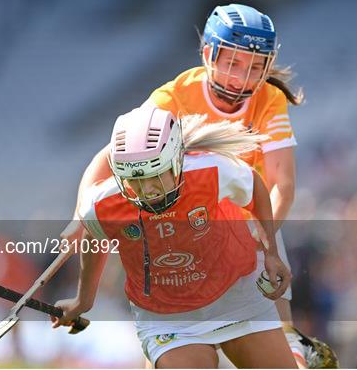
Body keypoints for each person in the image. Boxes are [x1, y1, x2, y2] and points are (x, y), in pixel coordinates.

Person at [62, 3, 338, 368]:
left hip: (250, 215)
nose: (242, 77)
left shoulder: (269, 98)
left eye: (256, 67)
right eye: (233, 63)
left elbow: (280, 183)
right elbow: (113, 155)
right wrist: (80, 215)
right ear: (208, 53)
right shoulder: (172, 97)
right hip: (187, 223)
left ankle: (291, 345)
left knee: (277, 326)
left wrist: (263, 235)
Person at [53, 105, 297, 368]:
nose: (146, 190)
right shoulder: (103, 204)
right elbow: (94, 237)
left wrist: (271, 253)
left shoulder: (212, 171)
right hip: (167, 320)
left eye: (155, 175)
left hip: (235, 296)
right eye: (134, 180)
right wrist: (83, 301)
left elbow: (255, 187)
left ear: (175, 161)